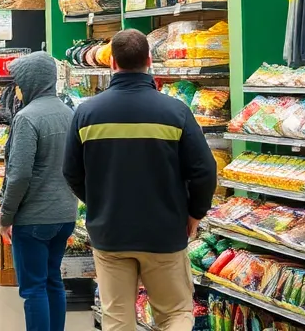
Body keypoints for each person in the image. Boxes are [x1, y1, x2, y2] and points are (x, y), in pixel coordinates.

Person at [63, 29, 218, 331]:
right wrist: (194, 212)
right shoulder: (176, 112)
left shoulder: (86, 113)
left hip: (110, 233)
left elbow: (71, 172)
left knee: (117, 319)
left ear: (112, 64)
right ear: (149, 61)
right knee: (175, 313)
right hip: (164, 232)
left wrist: (99, 201)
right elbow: (204, 170)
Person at [1, 52, 80, 331]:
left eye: (19, 82)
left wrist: (6, 215)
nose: (17, 89)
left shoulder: (27, 118)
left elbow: (20, 174)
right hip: (65, 215)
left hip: (33, 217)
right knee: (52, 281)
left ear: (32, 81)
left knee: (33, 288)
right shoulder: (70, 114)